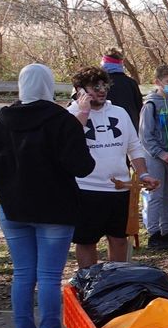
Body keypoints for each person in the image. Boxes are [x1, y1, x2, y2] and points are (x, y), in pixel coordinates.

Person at [0, 64, 96, 328]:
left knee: (23, 275)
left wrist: (8, 175)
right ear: (49, 85)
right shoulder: (61, 120)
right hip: (55, 209)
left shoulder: (2, 120)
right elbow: (82, 166)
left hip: (13, 207)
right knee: (49, 278)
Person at [67, 66, 159, 267]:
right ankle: (89, 283)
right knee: (86, 241)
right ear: (79, 90)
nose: (101, 90)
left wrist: (143, 174)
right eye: (95, 86)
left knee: (119, 240)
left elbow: (134, 147)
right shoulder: (70, 115)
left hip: (119, 189)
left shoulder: (119, 112)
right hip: (86, 189)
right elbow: (67, 143)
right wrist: (84, 112)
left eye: (104, 85)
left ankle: (116, 282)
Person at [139, 64, 168, 249]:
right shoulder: (150, 105)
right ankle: (154, 232)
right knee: (156, 194)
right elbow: (145, 136)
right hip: (155, 156)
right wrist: (160, 153)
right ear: (158, 82)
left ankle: (167, 230)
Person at [101, 46, 143, 129]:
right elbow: (139, 107)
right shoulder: (131, 83)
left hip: (108, 126)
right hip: (131, 125)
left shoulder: (101, 83)